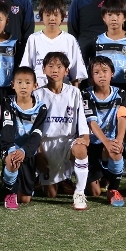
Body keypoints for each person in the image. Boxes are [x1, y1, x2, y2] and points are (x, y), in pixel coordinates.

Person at [93, 0, 126, 193]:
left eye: (118, 14)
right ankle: (107, 174)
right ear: (103, 17)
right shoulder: (98, 41)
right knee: (106, 130)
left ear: (125, 17)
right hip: (105, 91)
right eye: (109, 14)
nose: (114, 18)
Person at [33, 52, 90, 211]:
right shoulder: (37, 95)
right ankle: (51, 179)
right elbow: (33, 128)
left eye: (59, 66)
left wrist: (85, 137)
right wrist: (38, 153)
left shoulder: (74, 92)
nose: (54, 70)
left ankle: (79, 192)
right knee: (51, 194)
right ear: (43, 69)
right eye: (50, 66)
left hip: (67, 142)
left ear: (66, 71)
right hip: (46, 144)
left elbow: (82, 119)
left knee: (80, 149)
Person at [0, 66, 47, 210]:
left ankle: (19, 181)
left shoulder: (41, 108)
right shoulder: (7, 102)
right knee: (12, 162)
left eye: (27, 82)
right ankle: (10, 193)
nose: (23, 86)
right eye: (19, 82)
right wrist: (12, 150)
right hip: (10, 147)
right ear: (13, 85)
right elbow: (6, 129)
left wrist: (24, 151)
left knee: (25, 199)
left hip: (27, 150)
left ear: (35, 86)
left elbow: (37, 134)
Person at [82, 56, 126, 207]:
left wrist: (119, 140)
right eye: (96, 72)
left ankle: (113, 189)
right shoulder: (86, 94)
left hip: (110, 142)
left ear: (112, 73)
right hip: (92, 144)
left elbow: (122, 118)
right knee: (94, 192)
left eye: (105, 71)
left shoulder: (120, 93)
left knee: (116, 149)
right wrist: (106, 141)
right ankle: (102, 175)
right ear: (91, 76)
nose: (101, 75)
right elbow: (92, 122)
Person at [20, 0, 86, 88]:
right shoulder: (34, 38)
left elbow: (76, 71)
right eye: (48, 15)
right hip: (39, 88)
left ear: (62, 16)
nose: (52, 18)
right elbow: (26, 68)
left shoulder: (69, 39)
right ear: (41, 16)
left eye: (55, 15)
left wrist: (75, 91)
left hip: (62, 88)